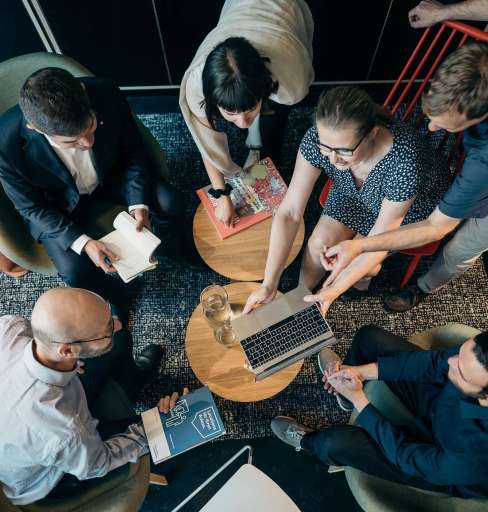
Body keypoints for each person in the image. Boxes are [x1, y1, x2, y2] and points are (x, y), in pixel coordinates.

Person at [317, 0, 488, 312]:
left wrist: (361, 245)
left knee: (460, 248)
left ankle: (423, 286)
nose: (430, 128)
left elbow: (436, 226)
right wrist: (444, 13)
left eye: (446, 125)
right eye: (431, 113)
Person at [244, 85, 450, 315]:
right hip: (351, 190)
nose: (333, 159)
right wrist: (269, 284)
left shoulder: (405, 164)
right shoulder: (316, 140)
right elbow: (289, 212)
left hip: (409, 208)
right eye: (326, 147)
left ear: (372, 133)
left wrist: (333, 290)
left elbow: (381, 239)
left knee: (360, 260)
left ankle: (361, 283)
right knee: (318, 243)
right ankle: (301, 295)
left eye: (344, 150)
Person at [0, 67, 187, 313]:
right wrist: (84, 242)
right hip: (57, 206)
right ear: (34, 127)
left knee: (172, 202)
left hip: (112, 176)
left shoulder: (106, 92)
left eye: (91, 126)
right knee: (74, 272)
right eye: (71, 141)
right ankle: (119, 296)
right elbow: (32, 207)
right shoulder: (5, 144)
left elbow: (134, 151)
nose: (88, 143)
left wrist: (138, 204)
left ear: (83, 92)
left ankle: (174, 248)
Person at [271, 324, 488, 499]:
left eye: (461, 370)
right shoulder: (479, 366)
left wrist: (360, 401)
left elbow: (408, 456)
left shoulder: (483, 456)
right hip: (441, 403)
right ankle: (344, 388)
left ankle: (307, 442)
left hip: (437, 461)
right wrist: (359, 372)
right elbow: (434, 362)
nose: (450, 362)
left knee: (334, 443)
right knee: (370, 338)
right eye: (459, 355)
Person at [0, 287, 185, 505]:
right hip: (54, 473)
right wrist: (153, 428)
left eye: (109, 317)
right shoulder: (66, 433)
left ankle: (133, 378)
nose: (117, 324)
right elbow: (98, 463)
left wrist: (70, 363)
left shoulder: (9, 326)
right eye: (106, 330)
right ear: (67, 351)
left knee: (120, 340)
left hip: (48, 405)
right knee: (166, 424)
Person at [179, 0, 314, 227]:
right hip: (241, 8)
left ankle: (266, 156)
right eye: (230, 112)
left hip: (283, 11)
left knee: (273, 128)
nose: (242, 123)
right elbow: (206, 142)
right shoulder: (196, 83)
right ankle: (253, 143)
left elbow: (277, 102)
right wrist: (222, 194)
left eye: (251, 108)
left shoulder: (291, 82)